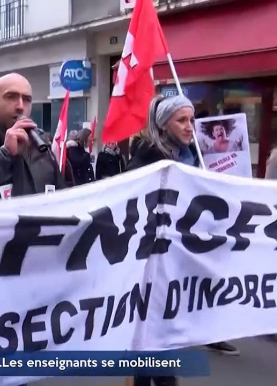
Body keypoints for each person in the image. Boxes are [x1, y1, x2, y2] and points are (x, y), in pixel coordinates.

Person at [128, 95, 235, 386]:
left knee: (158, 337)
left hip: (180, 259)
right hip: (154, 261)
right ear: (164, 125)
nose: (190, 127)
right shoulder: (148, 161)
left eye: (192, 120)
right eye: (182, 120)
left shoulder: (192, 157)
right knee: (158, 336)